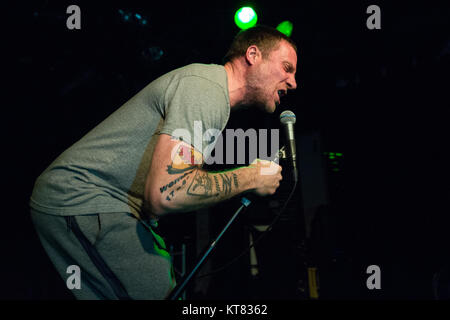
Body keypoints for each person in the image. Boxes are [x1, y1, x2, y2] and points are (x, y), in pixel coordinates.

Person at [29, 25, 298, 300]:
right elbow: (167, 193)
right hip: (82, 196)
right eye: (287, 68)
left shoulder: (210, 93)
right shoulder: (206, 88)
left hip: (106, 204)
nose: (293, 82)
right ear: (253, 54)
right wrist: (251, 177)